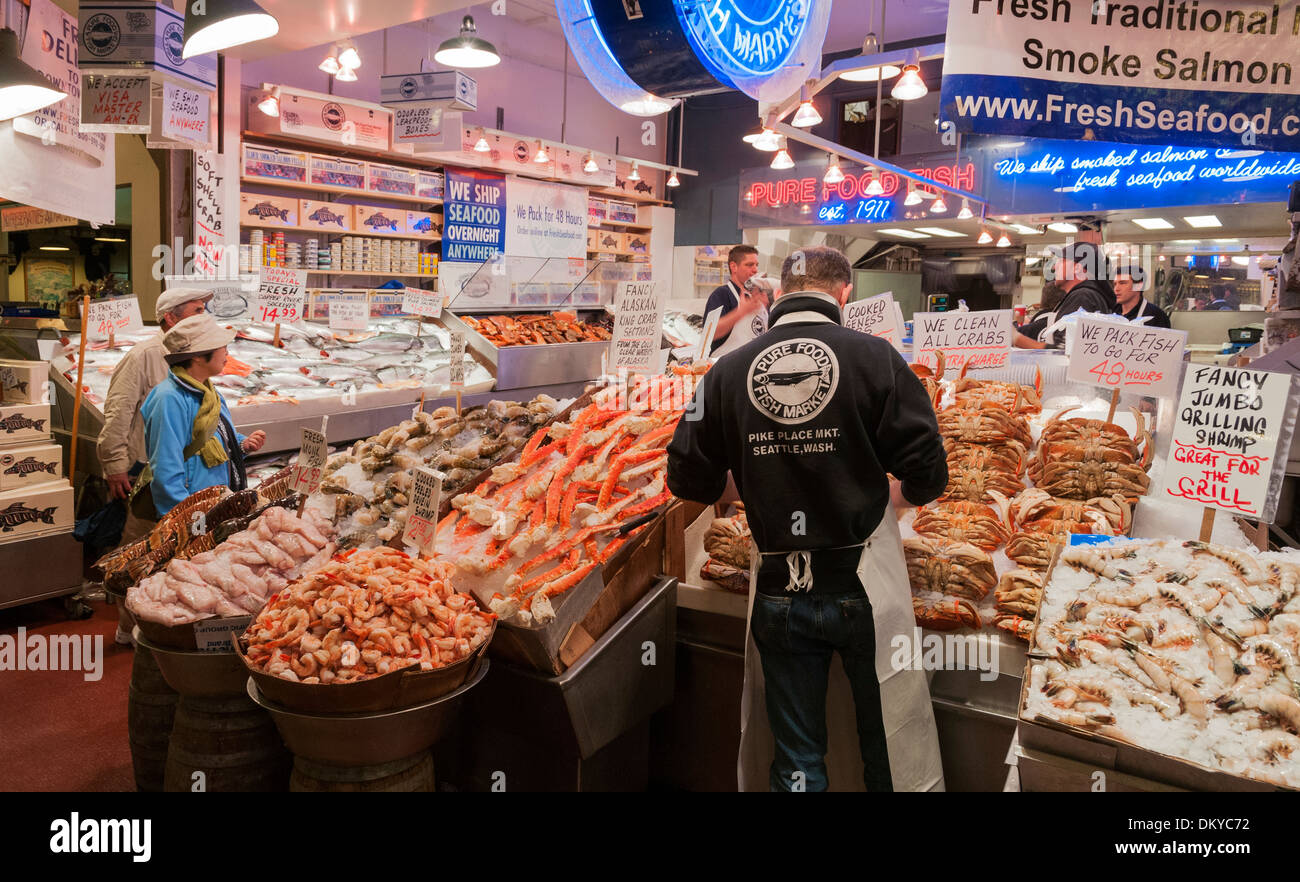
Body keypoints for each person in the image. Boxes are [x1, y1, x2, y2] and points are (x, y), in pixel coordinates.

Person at [667, 245, 948, 792]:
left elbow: (685, 476)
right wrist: (897, 495)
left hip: (778, 590)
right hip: (864, 584)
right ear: (844, 294)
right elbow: (930, 471)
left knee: (797, 760)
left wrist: (746, 483)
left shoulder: (727, 371)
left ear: (777, 296)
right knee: (888, 746)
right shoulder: (875, 358)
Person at [97, 288, 211, 645]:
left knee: (175, 551)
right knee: (142, 549)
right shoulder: (144, 355)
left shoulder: (193, 352)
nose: (204, 314)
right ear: (171, 318)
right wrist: (114, 464)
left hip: (182, 466)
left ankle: (161, 624)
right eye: (197, 310)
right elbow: (117, 410)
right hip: (145, 466)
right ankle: (128, 625)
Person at [141, 314, 266, 519]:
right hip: (193, 513)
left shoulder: (209, 391)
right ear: (198, 355)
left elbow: (218, 436)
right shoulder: (169, 399)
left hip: (216, 506)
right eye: (221, 346)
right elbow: (166, 471)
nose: (227, 352)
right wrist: (189, 521)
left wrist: (242, 444)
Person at [1014, 241, 1117, 349]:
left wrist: (1015, 337)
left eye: (1061, 261)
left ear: (1077, 268)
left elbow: (1063, 351)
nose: (1054, 267)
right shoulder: (1087, 295)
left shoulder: (1083, 297)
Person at [705, 244, 767, 357]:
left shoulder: (757, 296)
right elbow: (710, 334)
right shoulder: (722, 294)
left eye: (756, 265)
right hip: (725, 367)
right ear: (734, 267)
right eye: (749, 265)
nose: (755, 270)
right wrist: (740, 312)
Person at [1113, 263, 1171, 328]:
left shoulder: (1156, 316)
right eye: (1115, 284)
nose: (1116, 289)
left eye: (1122, 283)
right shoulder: (1109, 313)